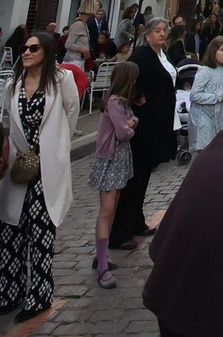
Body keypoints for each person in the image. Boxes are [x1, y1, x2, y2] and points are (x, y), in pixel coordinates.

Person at [0, 31, 78, 322]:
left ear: (47, 51)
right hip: (19, 162)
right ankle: (7, 290)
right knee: (11, 227)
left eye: (34, 48)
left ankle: (40, 293)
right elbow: (8, 118)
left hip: (46, 165)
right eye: (24, 48)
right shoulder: (13, 83)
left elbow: (71, 112)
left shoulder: (61, 80)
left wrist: (58, 147)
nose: (27, 53)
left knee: (41, 229)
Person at [110, 19, 178, 248]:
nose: (162, 34)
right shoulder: (140, 56)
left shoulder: (162, 55)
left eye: (164, 31)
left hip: (158, 123)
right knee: (134, 179)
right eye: (157, 31)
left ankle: (137, 221)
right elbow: (126, 77)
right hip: (144, 125)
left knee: (144, 176)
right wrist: (138, 96)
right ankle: (121, 231)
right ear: (147, 35)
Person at [89, 62, 139, 289]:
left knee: (113, 208)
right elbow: (123, 133)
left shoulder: (122, 102)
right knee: (107, 210)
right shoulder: (115, 102)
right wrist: (131, 126)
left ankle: (102, 254)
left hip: (118, 159)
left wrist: (132, 122)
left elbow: (133, 119)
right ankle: (102, 264)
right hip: (110, 159)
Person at [188, 37, 223, 153]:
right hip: (203, 116)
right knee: (205, 151)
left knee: (216, 150)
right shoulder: (205, 71)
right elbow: (194, 95)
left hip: (219, 116)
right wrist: (218, 96)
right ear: (214, 51)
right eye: (222, 49)